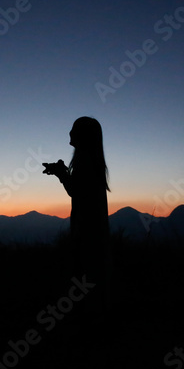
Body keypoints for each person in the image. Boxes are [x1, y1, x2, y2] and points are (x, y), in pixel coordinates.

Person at [43, 117, 110, 305]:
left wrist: (61, 173)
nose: (70, 133)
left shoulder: (86, 162)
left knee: (83, 283)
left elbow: (76, 192)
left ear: (83, 135)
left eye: (74, 129)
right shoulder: (91, 162)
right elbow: (80, 190)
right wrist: (62, 172)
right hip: (92, 232)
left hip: (88, 233)